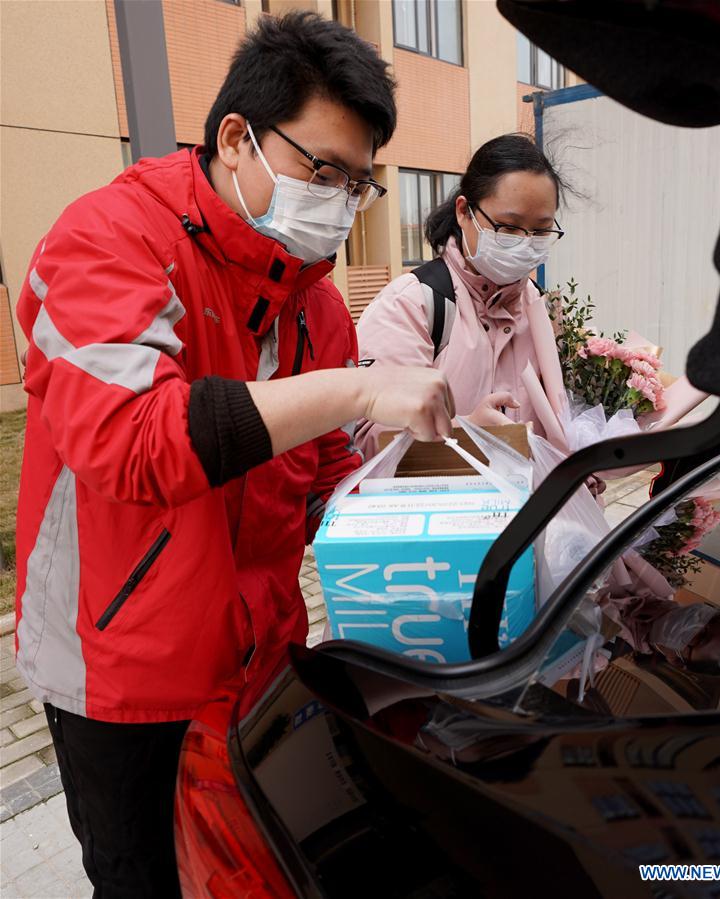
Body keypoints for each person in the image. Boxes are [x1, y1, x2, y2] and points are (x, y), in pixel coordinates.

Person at [14, 13, 452, 897]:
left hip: (257, 651)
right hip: (117, 662)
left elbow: (328, 474)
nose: (338, 200)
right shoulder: (107, 238)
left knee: (243, 861)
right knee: (139, 876)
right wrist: (359, 389)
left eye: (359, 184)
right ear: (235, 137)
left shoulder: (310, 300)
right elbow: (133, 444)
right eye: (321, 171)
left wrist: (445, 475)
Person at [355, 133, 570, 461]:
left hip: (538, 510)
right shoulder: (412, 305)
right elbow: (368, 442)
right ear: (464, 212)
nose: (525, 242)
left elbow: (565, 423)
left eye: (540, 231)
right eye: (508, 227)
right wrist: (465, 434)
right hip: (443, 509)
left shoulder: (544, 309)